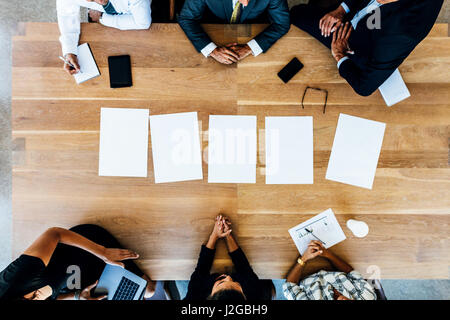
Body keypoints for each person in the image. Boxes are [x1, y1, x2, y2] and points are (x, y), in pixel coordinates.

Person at [290, 0, 443, 96]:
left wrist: (340, 54)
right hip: (360, 10)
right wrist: (341, 10)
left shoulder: (398, 35)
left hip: (354, 40)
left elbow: (364, 87)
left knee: (299, 15)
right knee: (298, 13)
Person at [0, 224, 156, 300]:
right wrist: (76, 296)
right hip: (76, 279)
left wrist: (103, 252)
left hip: (89, 246)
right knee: (139, 294)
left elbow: (55, 233)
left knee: (148, 290)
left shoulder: (14, 279)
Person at [185, 215, 273, 300]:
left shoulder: (194, 297)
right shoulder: (255, 295)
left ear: (209, 296)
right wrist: (228, 234)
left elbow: (202, 269)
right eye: (236, 284)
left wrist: (215, 235)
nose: (227, 277)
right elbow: (244, 268)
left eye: (221, 282)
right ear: (244, 296)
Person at [178, 0, 290, 64]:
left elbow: (282, 23)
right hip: (212, 28)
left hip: (253, 30)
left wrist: (250, 48)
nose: (246, 3)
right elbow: (187, 18)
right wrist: (212, 50)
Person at [57, 0, 152, 75]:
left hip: (141, 10)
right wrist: (70, 51)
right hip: (100, 16)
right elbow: (66, 15)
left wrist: (102, 18)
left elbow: (142, 23)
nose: (100, 1)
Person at [283, 240, 377, 300]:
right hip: (331, 257)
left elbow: (289, 286)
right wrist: (327, 254)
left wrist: (303, 259)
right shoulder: (368, 297)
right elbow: (351, 272)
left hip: (301, 270)